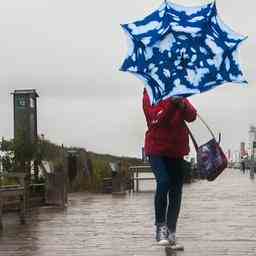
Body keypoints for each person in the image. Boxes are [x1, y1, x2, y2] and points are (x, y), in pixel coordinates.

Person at [143, 89, 197, 247]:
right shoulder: (149, 94)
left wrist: (182, 104)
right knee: (164, 182)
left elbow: (192, 116)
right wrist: (173, 105)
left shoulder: (178, 90)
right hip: (156, 149)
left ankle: (171, 231)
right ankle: (160, 228)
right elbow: (157, 120)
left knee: (176, 190)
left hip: (177, 150)